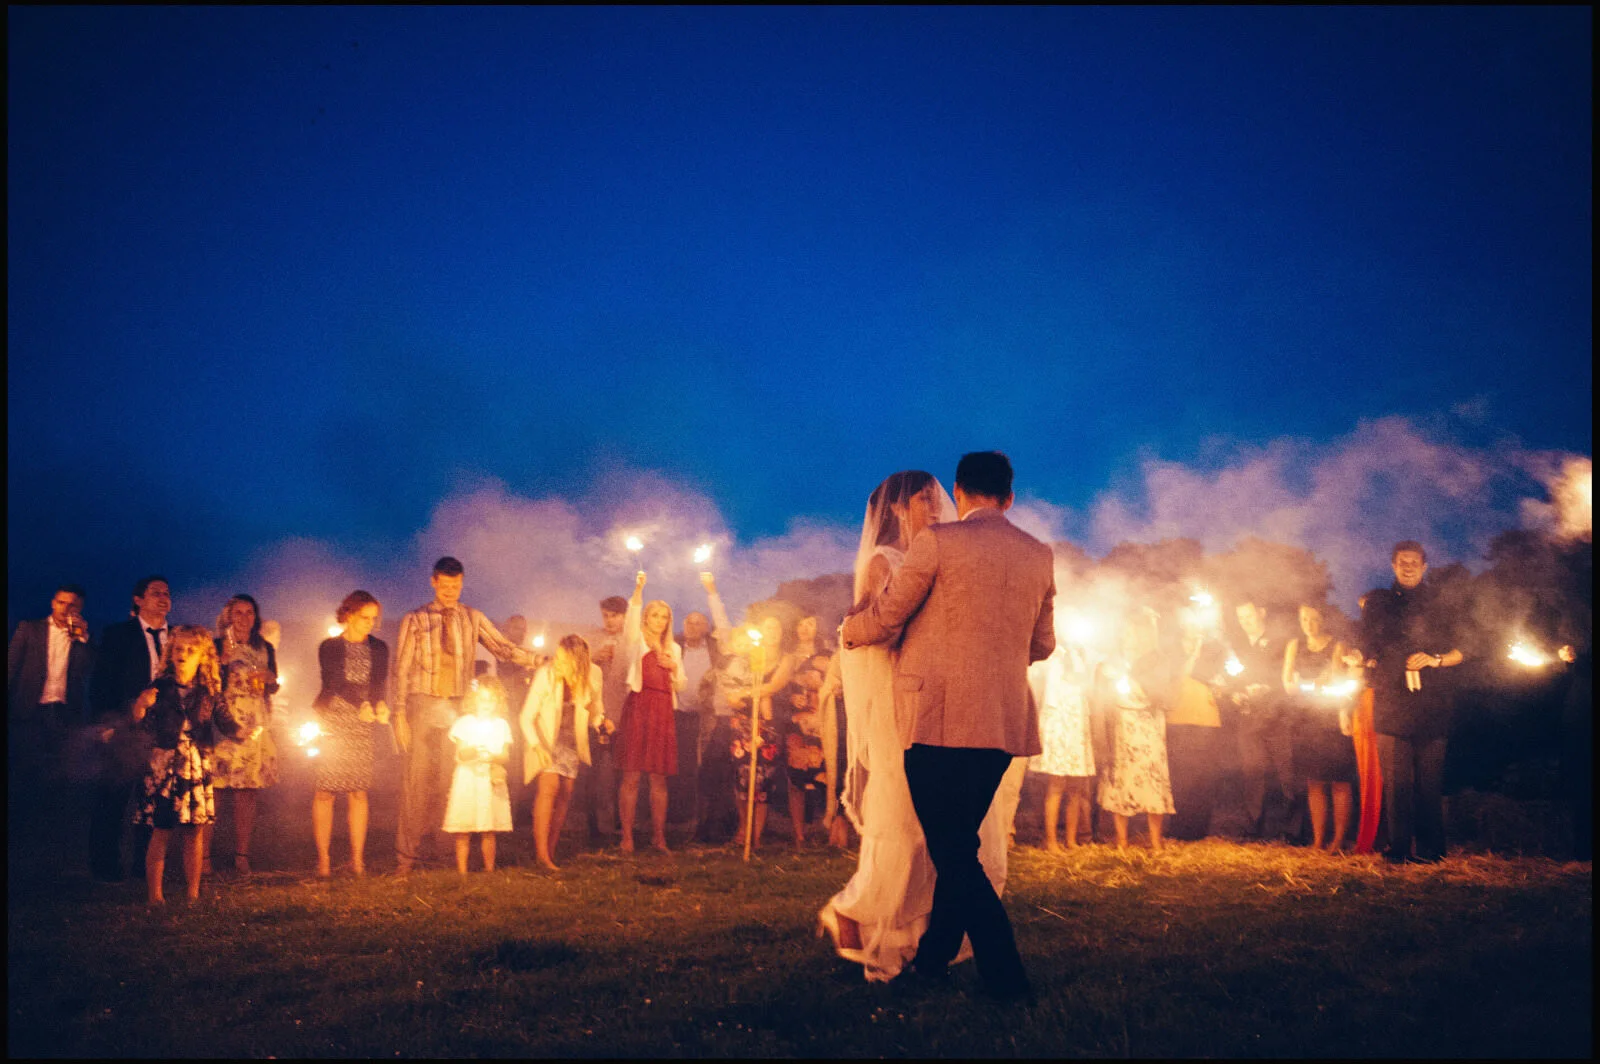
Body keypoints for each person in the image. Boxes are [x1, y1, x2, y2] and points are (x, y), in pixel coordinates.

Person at [835, 453, 1053, 1002]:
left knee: (953, 855)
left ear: (959, 492)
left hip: (936, 722)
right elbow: (1043, 644)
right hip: (1003, 725)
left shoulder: (938, 542)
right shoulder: (1038, 553)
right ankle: (932, 961)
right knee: (959, 847)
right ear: (1010, 497)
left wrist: (847, 632)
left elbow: (887, 619)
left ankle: (1008, 979)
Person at [392, 557, 538, 874]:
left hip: (457, 704)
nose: (450, 592)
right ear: (433, 582)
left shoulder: (471, 617)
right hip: (424, 702)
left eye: (456, 586)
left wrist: (538, 661)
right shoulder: (415, 619)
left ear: (462, 583)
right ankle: (407, 857)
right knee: (417, 781)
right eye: (445, 586)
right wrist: (399, 712)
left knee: (451, 779)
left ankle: (445, 853)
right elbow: (401, 669)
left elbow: (503, 648)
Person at [1351, 542, 1464, 864]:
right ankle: (1398, 847)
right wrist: (1357, 657)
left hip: (1432, 703)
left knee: (1428, 784)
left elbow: (1464, 649)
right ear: (1393, 565)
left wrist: (1436, 659)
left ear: (1425, 567)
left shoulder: (1441, 603)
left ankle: (1431, 850)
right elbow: (1367, 643)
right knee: (1397, 784)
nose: (1409, 566)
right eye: (1403, 561)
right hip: (1391, 700)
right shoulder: (1378, 602)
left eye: (1415, 561)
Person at [129, 626, 240, 904]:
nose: (183, 654)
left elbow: (225, 721)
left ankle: (193, 892)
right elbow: (144, 724)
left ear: (202, 657)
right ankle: (155, 895)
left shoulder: (209, 691)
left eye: (190, 651)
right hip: (165, 764)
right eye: (178, 649)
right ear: (170, 653)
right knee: (162, 829)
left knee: (194, 829)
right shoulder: (160, 687)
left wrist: (243, 732)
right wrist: (141, 706)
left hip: (195, 764)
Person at [86, 575, 173, 882]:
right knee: (114, 796)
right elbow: (102, 683)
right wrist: (107, 723)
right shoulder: (118, 634)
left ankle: (144, 865)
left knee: (153, 799)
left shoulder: (176, 637)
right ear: (138, 599)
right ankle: (105, 864)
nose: (163, 598)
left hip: (163, 730)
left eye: (166, 593)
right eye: (155, 593)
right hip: (126, 725)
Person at [312, 590, 389, 878]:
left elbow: (380, 683)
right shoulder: (330, 646)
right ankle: (324, 861)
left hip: (361, 723)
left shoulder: (379, 648)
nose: (370, 624)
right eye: (364, 618)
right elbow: (335, 682)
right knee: (325, 791)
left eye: (373, 619)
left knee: (358, 790)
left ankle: (357, 861)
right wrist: (362, 705)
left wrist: (381, 705)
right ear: (348, 615)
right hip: (334, 719)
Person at [205, 594, 279, 875]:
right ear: (228, 616)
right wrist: (222, 663)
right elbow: (208, 684)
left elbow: (273, 685)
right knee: (215, 790)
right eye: (238, 613)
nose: (244, 618)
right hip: (224, 719)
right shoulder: (216, 645)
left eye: (249, 613)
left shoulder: (265, 647)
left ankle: (241, 855)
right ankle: (203, 858)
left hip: (256, 719)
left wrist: (271, 680)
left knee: (247, 791)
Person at [1092, 609, 1176, 853]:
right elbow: (1101, 695)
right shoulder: (1112, 662)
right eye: (1125, 632)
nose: (1127, 636)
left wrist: (1135, 681)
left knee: (1152, 778)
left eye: (1132, 631)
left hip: (1148, 724)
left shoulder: (1157, 659)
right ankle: (1121, 841)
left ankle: (1156, 841)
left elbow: (1162, 692)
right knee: (1122, 779)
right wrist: (1108, 677)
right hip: (1122, 724)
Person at [615, 572, 687, 853]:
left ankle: (659, 837)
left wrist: (673, 668)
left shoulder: (674, 649)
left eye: (664, 617)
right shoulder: (636, 641)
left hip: (662, 711)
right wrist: (638, 588)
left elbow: (681, 684)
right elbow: (632, 616)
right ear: (647, 618)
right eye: (655, 615)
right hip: (639, 707)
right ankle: (627, 837)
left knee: (659, 776)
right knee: (631, 775)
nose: (659, 621)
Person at [522, 634, 609, 870]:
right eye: (557, 657)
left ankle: (551, 850)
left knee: (566, 792)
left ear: (578, 661)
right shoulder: (545, 675)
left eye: (564, 660)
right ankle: (542, 855)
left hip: (571, 739)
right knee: (549, 787)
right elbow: (526, 717)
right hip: (546, 738)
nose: (557, 663)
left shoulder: (594, 674)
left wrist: (602, 722)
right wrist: (536, 745)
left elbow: (596, 711)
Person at [1284, 605, 1358, 852]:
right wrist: (1302, 685)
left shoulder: (1337, 646)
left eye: (1314, 618)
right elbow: (1287, 684)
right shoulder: (1295, 645)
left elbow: (1342, 682)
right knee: (1314, 781)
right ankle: (1317, 840)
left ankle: (1338, 840)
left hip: (1331, 718)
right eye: (1304, 618)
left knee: (1339, 781)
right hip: (1306, 719)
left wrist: (1343, 713)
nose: (1309, 623)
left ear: (1323, 620)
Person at [8, 584, 93, 796]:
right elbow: (11, 666)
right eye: (61, 602)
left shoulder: (81, 637)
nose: (65, 608)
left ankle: (52, 813)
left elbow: (87, 671)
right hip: (30, 706)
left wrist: (83, 639)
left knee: (59, 765)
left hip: (63, 709)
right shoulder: (29, 628)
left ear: (80, 608)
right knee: (25, 763)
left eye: (72, 605)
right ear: (53, 603)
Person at [1230, 599, 1299, 842]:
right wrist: (1235, 694)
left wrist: (1268, 689)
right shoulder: (1237, 645)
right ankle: (1253, 827)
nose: (1245, 622)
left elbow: (1289, 676)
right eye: (1240, 618)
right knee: (1252, 771)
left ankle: (1293, 831)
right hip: (1249, 717)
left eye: (1248, 616)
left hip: (1277, 716)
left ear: (1261, 612)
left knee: (1286, 774)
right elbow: (1234, 676)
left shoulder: (1280, 642)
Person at [1027, 611, 1095, 852]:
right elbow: (1052, 689)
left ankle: (1071, 840)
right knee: (1056, 785)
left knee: (1076, 786)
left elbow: (1088, 687)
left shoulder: (1083, 655)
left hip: (1077, 723)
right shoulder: (1055, 655)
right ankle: (1051, 840)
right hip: (1060, 722)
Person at [1164, 609, 1228, 841]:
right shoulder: (1173, 655)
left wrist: (1221, 688)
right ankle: (1179, 829)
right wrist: (1194, 653)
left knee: (1203, 777)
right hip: (1179, 720)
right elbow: (1180, 677)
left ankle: (1199, 830)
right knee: (1182, 777)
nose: (1193, 640)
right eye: (1188, 636)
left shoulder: (1213, 655)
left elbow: (1220, 682)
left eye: (1196, 635)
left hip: (1207, 721)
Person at [444, 677, 514, 873]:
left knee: (488, 827)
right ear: (473, 700)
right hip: (468, 779)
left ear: (498, 702)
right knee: (463, 828)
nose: (486, 704)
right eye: (482, 699)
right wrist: (474, 750)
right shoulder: (464, 723)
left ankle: (489, 870)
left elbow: (505, 755)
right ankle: (462, 871)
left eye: (491, 700)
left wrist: (493, 756)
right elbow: (460, 753)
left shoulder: (501, 725)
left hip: (489, 780)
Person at [579, 595, 629, 844]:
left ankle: (620, 824)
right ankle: (594, 827)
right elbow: (574, 668)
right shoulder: (593, 639)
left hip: (623, 713)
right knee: (594, 772)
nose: (609, 621)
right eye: (606, 616)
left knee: (621, 772)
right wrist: (591, 659)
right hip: (595, 714)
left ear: (625, 616)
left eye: (615, 616)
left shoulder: (632, 641)